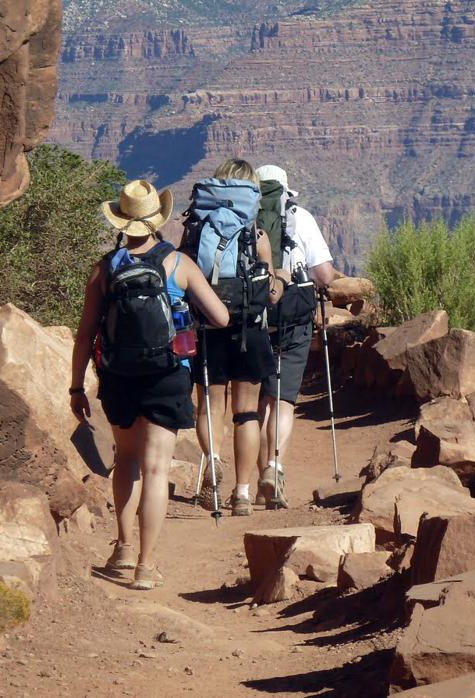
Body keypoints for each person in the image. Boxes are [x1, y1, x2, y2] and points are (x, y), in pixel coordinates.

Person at [70, 179, 230, 590]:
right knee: (156, 468)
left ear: (122, 221)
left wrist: (76, 387)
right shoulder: (178, 263)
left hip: (119, 376)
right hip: (167, 375)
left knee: (125, 461)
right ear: (156, 220)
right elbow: (222, 317)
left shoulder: (104, 268)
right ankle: (145, 566)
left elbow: (85, 332)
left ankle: (123, 547)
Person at [189, 159, 276, 517]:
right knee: (246, 413)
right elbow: (268, 290)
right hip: (249, 329)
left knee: (210, 402)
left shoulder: (195, 229)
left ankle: (214, 457)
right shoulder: (257, 235)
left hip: (208, 327)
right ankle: (242, 493)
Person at [254, 164, 344, 508]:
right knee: (282, 399)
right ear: (285, 190)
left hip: (253, 312)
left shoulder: (245, 216)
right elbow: (323, 274)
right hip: (293, 313)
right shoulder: (299, 216)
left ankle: (249, 483)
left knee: (259, 399)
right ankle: (274, 469)